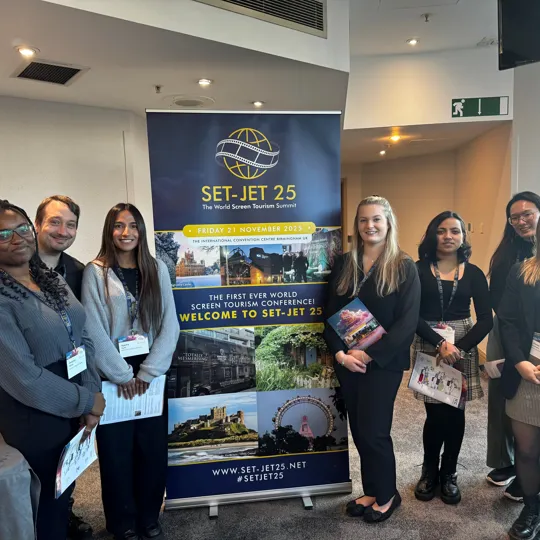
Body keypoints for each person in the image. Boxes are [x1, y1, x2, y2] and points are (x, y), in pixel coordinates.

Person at [0, 200, 104, 540]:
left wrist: (92, 391)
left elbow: (83, 335)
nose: (17, 238)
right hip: (35, 416)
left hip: (73, 401)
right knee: (42, 504)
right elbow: (25, 379)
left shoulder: (50, 278)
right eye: (3, 234)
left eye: (21, 229)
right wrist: (86, 401)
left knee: (63, 494)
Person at [82, 203, 179, 540]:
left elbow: (170, 325)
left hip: (151, 372)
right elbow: (92, 329)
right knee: (116, 452)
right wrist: (122, 375)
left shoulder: (156, 268)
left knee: (151, 451)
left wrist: (148, 372)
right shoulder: (95, 272)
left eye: (133, 225)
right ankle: (123, 522)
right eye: (119, 225)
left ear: (141, 231)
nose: (127, 232)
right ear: (109, 230)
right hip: (112, 374)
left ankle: (149, 516)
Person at [323, 195, 420, 523]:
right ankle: (372, 490)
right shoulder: (344, 263)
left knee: (376, 431)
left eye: (377, 219)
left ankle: (388, 495)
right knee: (360, 431)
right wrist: (340, 354)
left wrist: (369, 354)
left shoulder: (403, 266)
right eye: (364, 220)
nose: (370, 225)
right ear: (357, 225)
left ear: (388, 223)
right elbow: (330, 313)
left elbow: (407, 323)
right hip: (348, 362)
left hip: (382, 363)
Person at [412, 211, 493, 504]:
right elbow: (411, 313)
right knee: (435, 413)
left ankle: (449, 473)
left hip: (463, 345)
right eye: (442, 230)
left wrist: (459, 348)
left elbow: (486, 319)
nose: (448, 236)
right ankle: (429, 471)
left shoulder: (473, 273)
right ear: (432, 235)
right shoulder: (417, 270)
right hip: (428, 340)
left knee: (455, 413)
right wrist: (440, 344)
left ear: (463, 237)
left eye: (455, 231)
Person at [35, 194, 93, 539]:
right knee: (38, 466)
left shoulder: (78, 272)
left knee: (68, 458)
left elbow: (84, 331)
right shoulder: (15, 268)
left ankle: (65, 514)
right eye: (54, 222)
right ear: (37, 224)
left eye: (71, 224)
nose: (62, 230)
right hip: (35, 382)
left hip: (73, 377)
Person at [486, 191, 540, 501]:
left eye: (527, 214)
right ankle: (507, 461)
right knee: (505, 398)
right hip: (508, 333)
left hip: (534, 337)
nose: (521, 221)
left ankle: (527, 470)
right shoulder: (507, 255)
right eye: (514, 217)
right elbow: (499, 303)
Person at [499, 216, 540, 540]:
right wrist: (519, 362)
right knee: (525, 450)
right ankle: (531, 507)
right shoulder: (522, 271)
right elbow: (508, 321)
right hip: (528, 370)